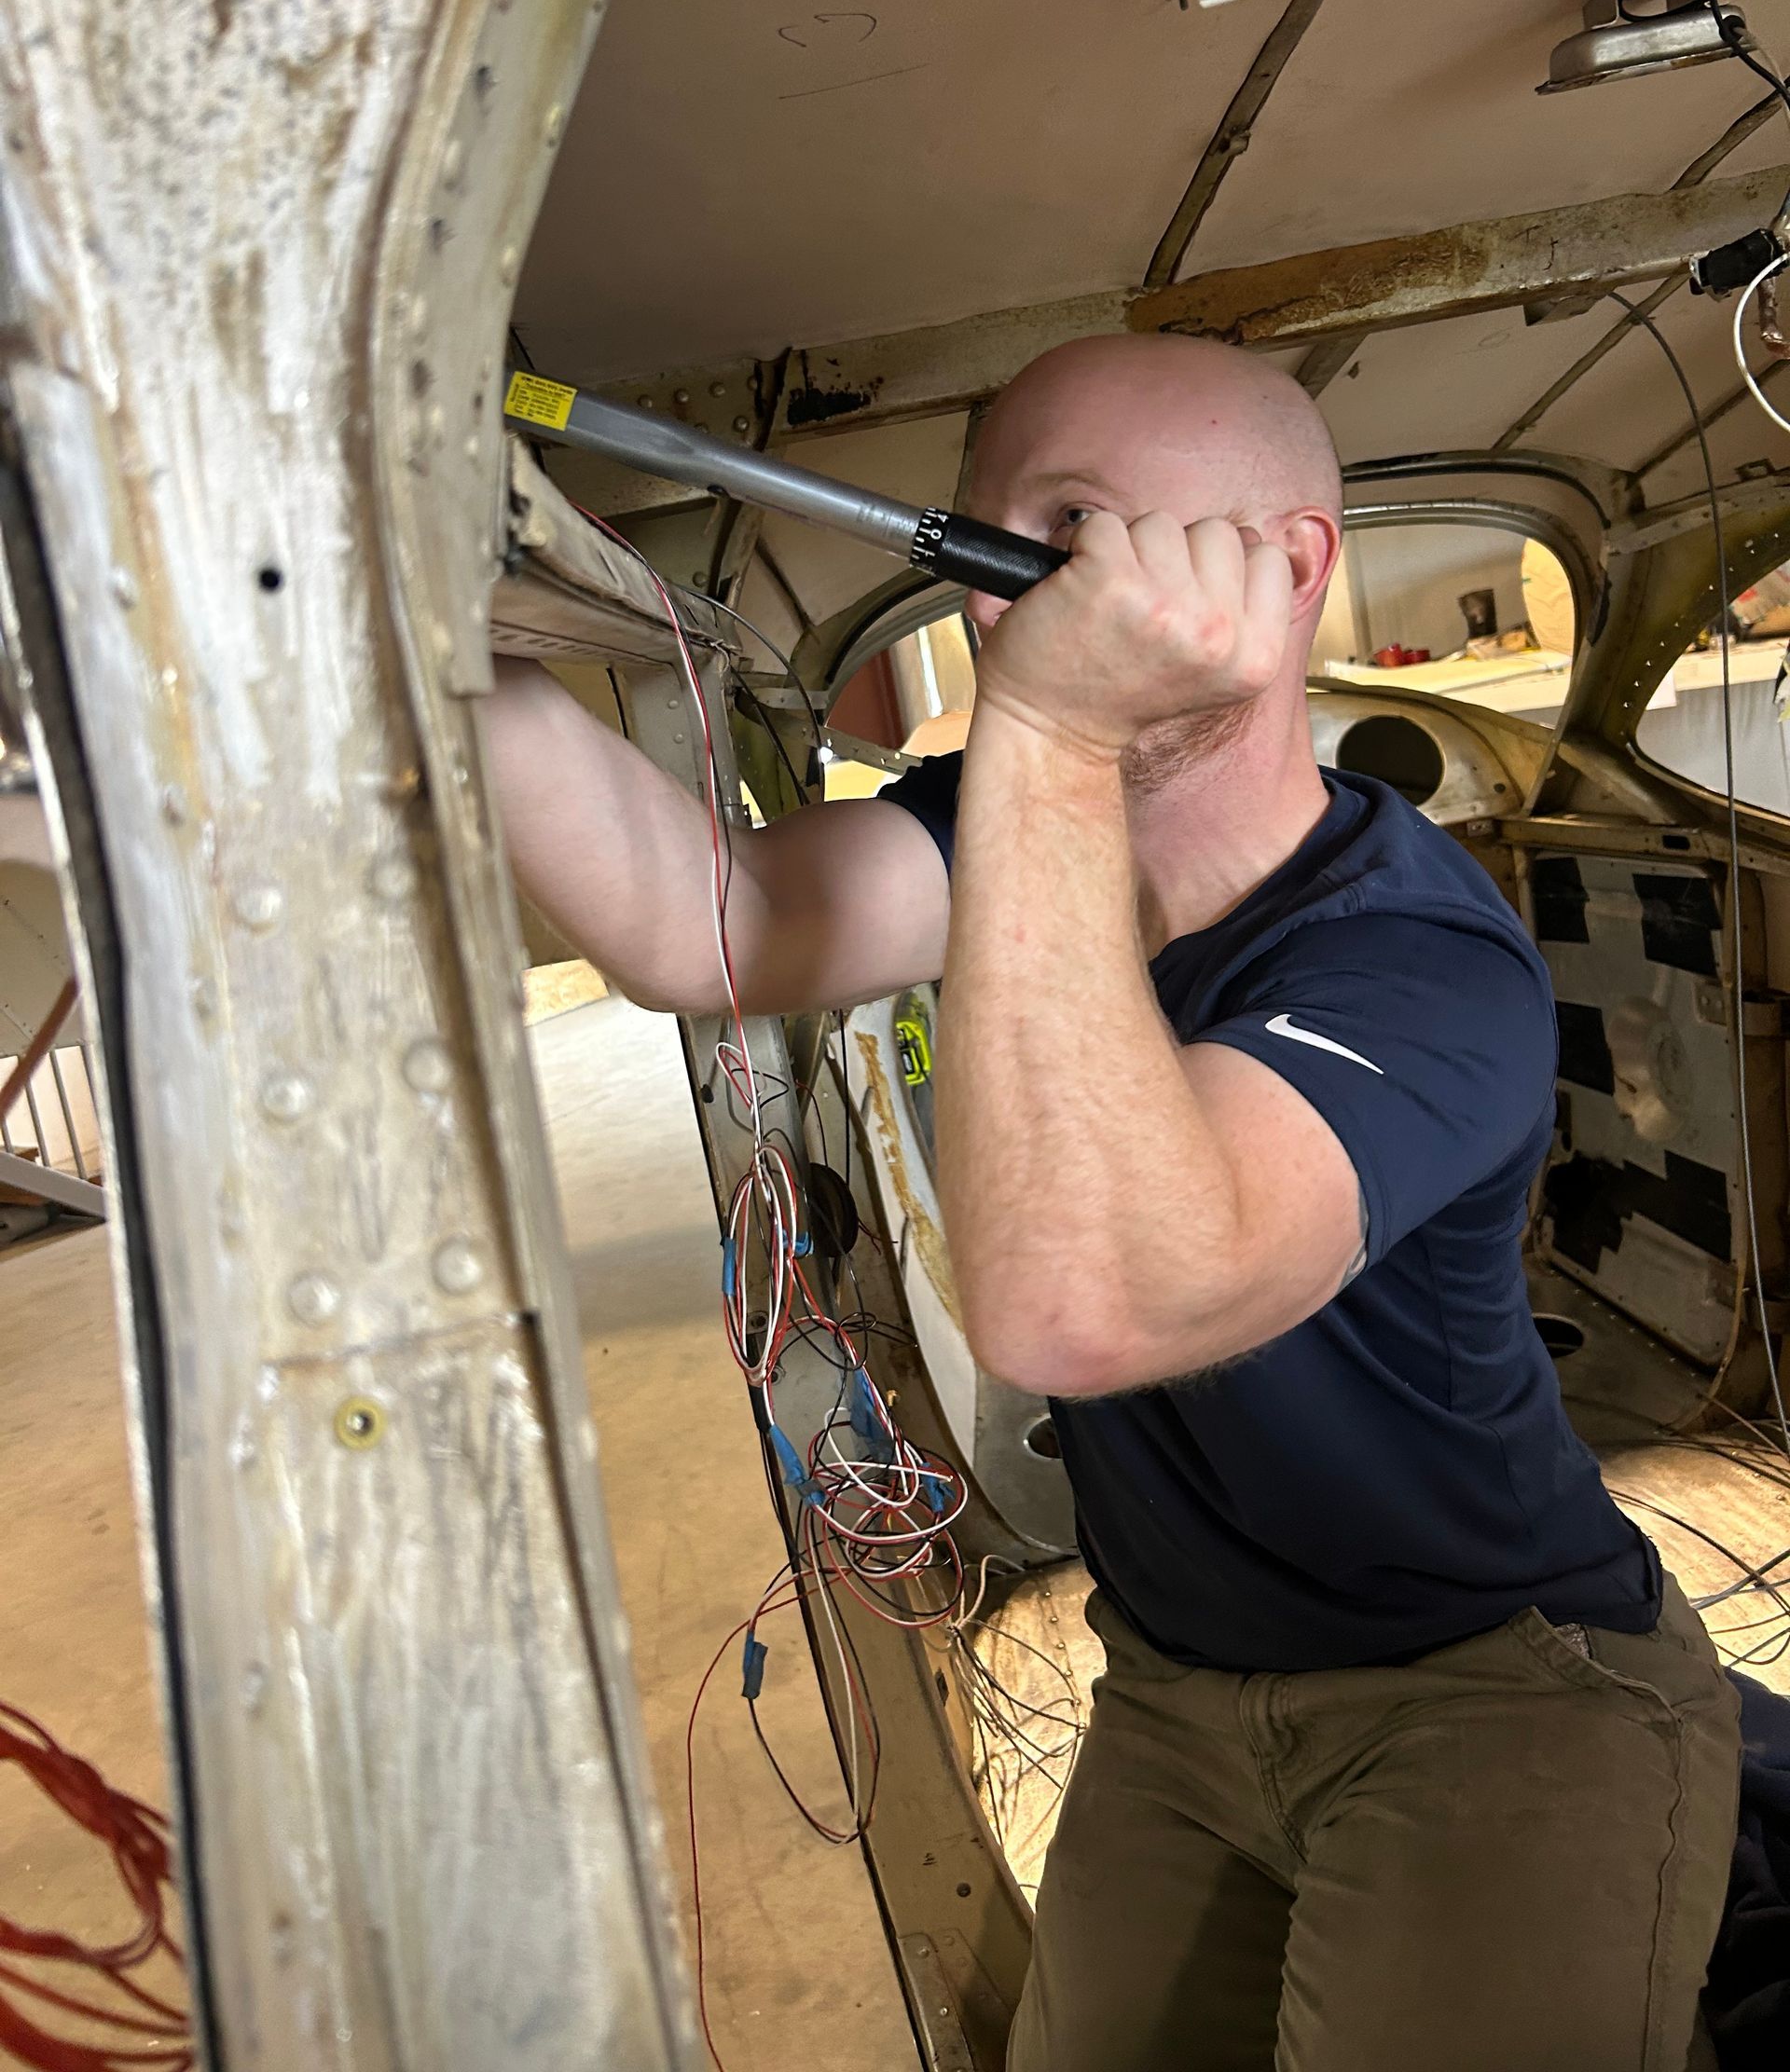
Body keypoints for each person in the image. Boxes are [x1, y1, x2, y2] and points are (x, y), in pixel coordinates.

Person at [487, 336, 1742, 2072]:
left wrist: (1057, 731)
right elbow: (711, 928)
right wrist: (446, 645)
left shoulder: (1415, 959)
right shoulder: (1006, 828)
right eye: (989, 537)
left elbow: (1087, 1305)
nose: (1001, 599)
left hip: (1497, 1682)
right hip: (1174, 1687)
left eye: (1071, 530)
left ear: (1288, 569)